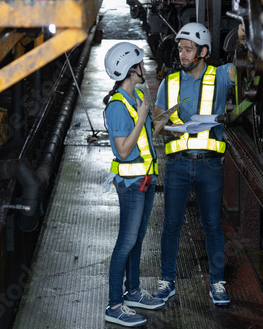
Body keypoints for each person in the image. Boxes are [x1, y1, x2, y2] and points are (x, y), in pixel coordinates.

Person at [152, 22, 243, 306]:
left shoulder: (220, 76)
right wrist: (172, 128)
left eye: (188, 49)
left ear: (203, 51)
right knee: (171, 225)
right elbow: (156, 123)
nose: (182, 54)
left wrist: (243, 37)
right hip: (178, 164)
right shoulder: (170, 82)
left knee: (213, 225)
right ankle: (167, 281)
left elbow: (246, 67)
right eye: (181, 49)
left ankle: (217, 282)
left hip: (209, 166)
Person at [102, 42, 165, 327]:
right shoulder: (118, 107)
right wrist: (141, 117)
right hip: (130, 185)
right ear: (131, 69)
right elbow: (124, 151)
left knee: (137, 239)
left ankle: (134, 292)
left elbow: (146, 135)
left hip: (146, 179)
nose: (145, 67)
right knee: (125, 243)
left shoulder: (136, 96)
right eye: (140, 64)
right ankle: (115, 305)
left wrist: (163, 118)